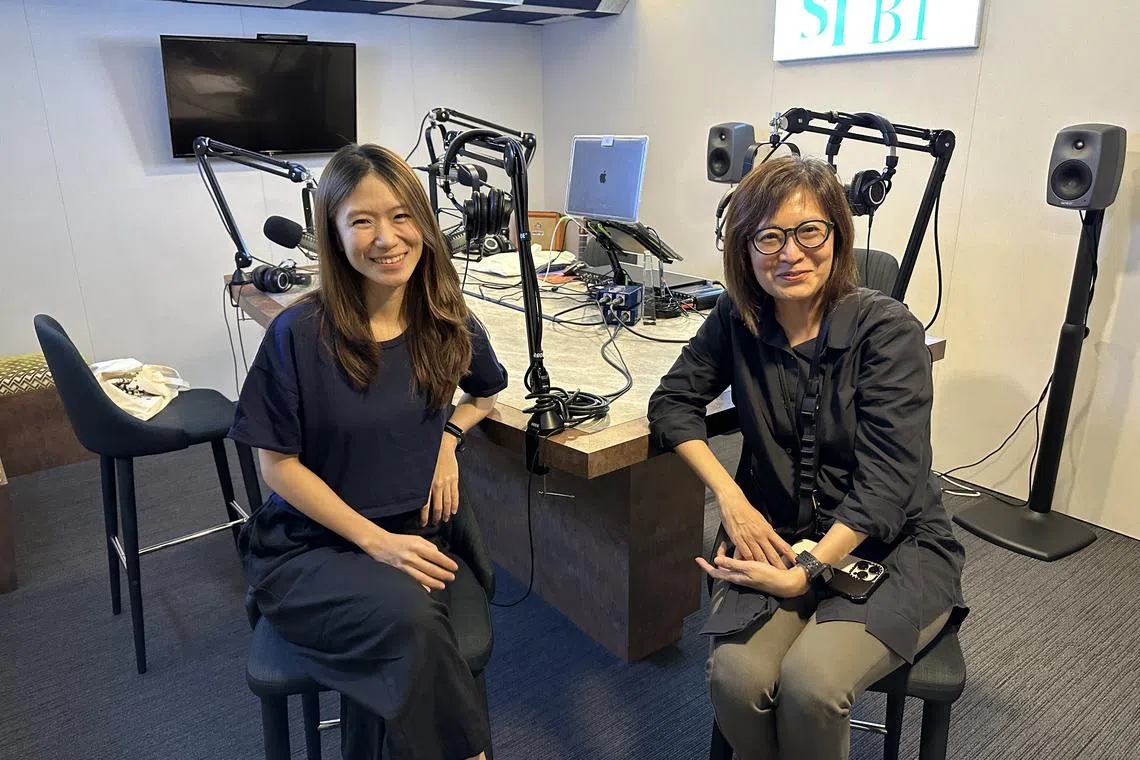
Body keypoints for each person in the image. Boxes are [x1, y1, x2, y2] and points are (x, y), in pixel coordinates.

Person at [647, 155, 967, 760]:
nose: (790, 253)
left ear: (837, 236)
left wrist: (809, 569)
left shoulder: (887, 331)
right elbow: (671, 403)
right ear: (744, 249)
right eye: (768, 237)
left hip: (890, 547)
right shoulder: (736, 317)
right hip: (774, 533)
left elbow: (887, 486)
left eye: (809, 232)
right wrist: (731, 498)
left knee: (811, 687)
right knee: (737, 680)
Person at [230, 143, 508, 760]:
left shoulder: (444, 316)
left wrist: (448, 439)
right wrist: (375, 541)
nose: (387, 238)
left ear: (424, 223)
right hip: (310, 548)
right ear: (333, 234)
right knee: (411, 625)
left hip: (410, 535)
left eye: (401, 215)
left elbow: (486, 392)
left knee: (403, 638)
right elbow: (276, 465)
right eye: (362, 220)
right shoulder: (300, 332)